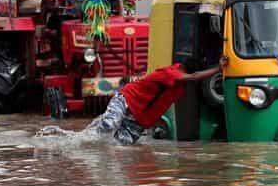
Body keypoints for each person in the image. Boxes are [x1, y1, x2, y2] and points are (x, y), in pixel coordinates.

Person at [85, 56, 228, 145]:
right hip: (126, 100)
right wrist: (218, 68)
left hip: (138, 120)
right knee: (109, 125)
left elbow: (160, 105)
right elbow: (195, 76)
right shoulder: (171, 73)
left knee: (121, 147)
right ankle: (84, 142)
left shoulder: (181, 87)